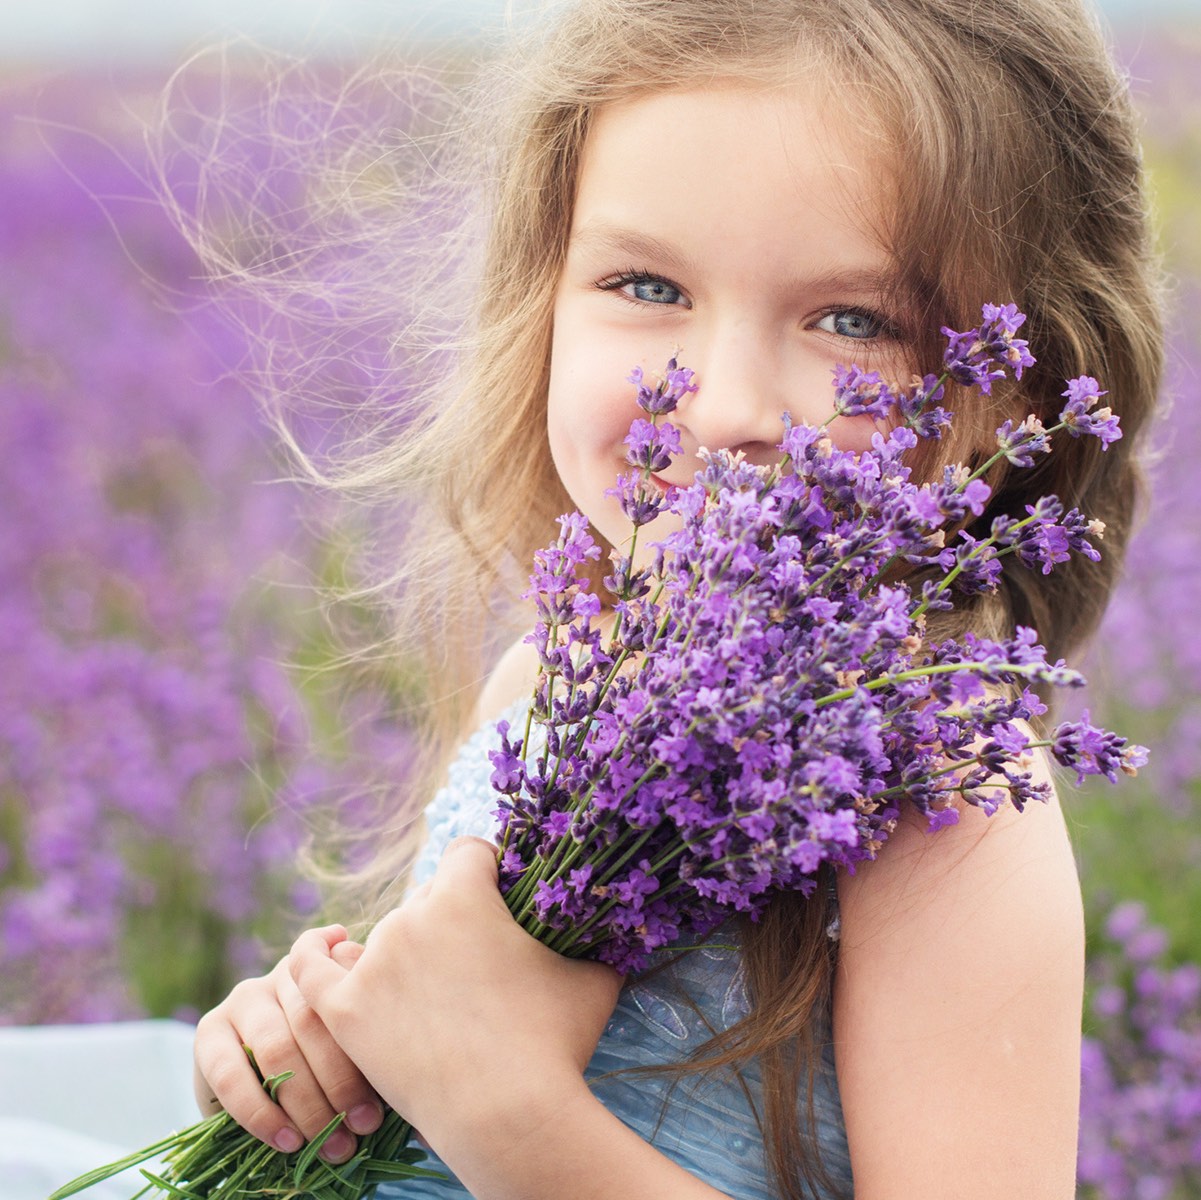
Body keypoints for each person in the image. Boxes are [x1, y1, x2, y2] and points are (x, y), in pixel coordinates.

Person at [189, 1, 1164, 1197]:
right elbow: (430, 1069)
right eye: (646, 283)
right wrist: (303, 1061)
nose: (721, 407)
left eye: (851, 320)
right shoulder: (538, 687)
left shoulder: (942, 807)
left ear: (1012, 401)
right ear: (541, 293)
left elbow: (484, 1084)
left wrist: (512, 1113)